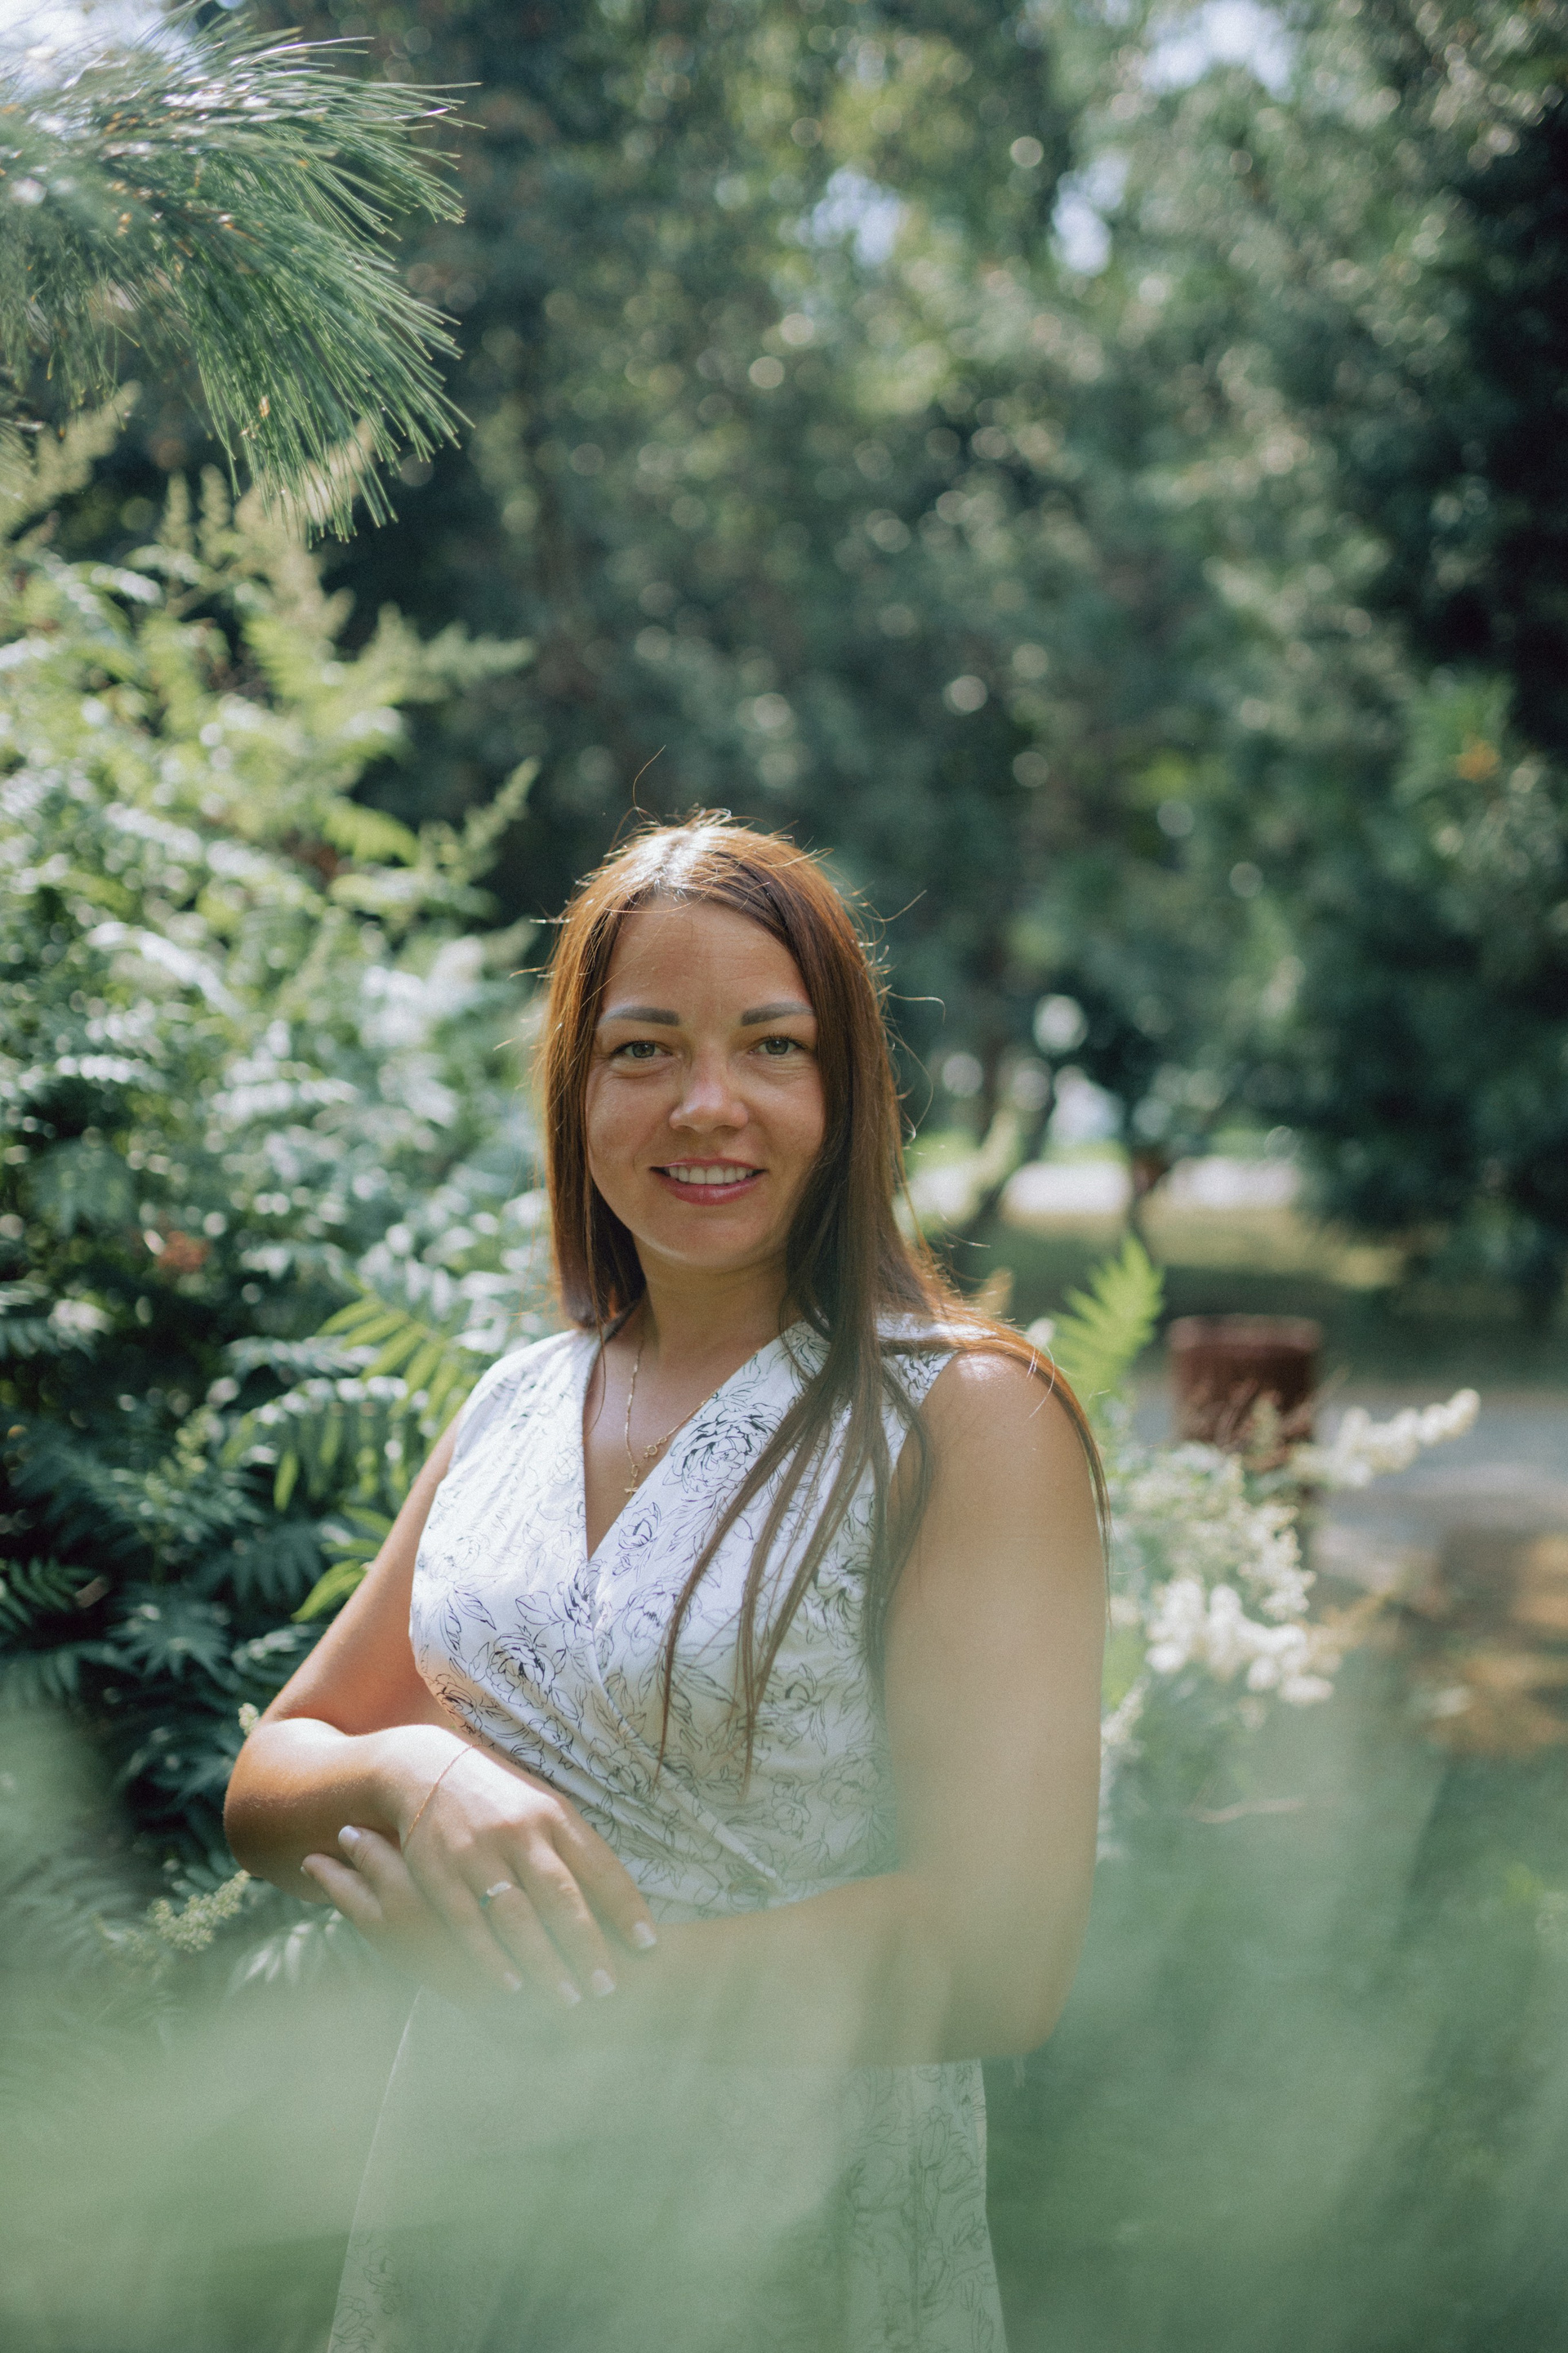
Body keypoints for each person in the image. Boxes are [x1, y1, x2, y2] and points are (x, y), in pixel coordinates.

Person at [225, 816, 1106, 2353]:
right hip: (462, 2192)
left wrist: (584, 2010)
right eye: (644, 1050)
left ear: (849, 1091)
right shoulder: (516, 1401)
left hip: (780, 2231)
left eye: (774, 1044)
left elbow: (1002, 1956)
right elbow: (272, 1777)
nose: (709, 1102)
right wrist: (423, 1776)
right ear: (577, 1090)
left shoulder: (963, 1416)